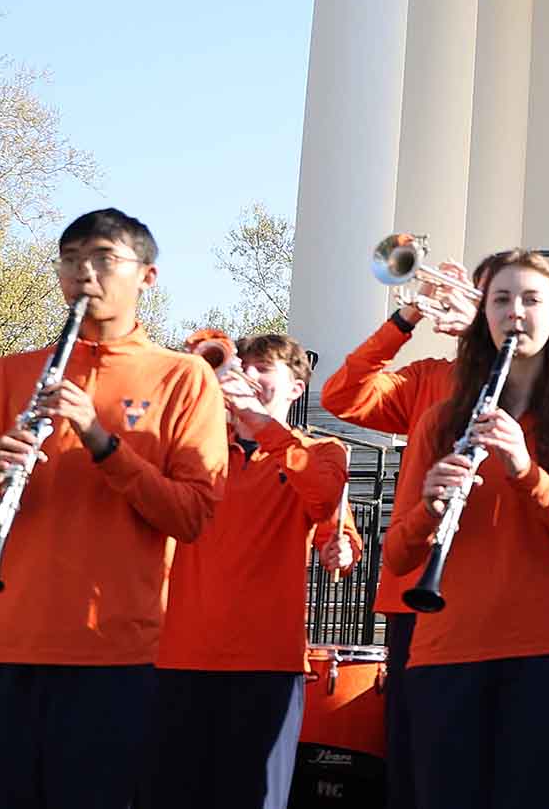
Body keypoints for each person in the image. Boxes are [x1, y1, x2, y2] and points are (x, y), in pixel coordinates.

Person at [0, 208, 229, 809]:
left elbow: (192, 516)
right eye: (70, 262)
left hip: (112, 657)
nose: (84, 275)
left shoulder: (183, 377)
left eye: (102, 259)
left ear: (147, 276)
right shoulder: (8, 376)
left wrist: (101, 442)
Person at [380, 249, 549, 809]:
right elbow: (395, 555)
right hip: (447, 653)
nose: (516, 312)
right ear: (484, 315)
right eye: (501, 299)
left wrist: (524, 471)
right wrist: (431, 508)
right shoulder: (441, 421)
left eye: (532, 299)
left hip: (546, 655)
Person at [149, 333, 348, 809]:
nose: (248, 376)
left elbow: (327, 506)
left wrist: (340, 547)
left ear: (296, 389)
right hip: (177, 658)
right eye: (245, 366)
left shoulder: (322, 450)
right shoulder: (191, 454)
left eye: (264, 369)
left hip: (266, 663)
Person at [316, 248, 479, 809]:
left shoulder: (544, 381)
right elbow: (341, 396)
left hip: (496, 597)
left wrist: (485, 324)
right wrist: (405, 319)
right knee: (411, 752)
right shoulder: (428, 378)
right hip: (416, 589)